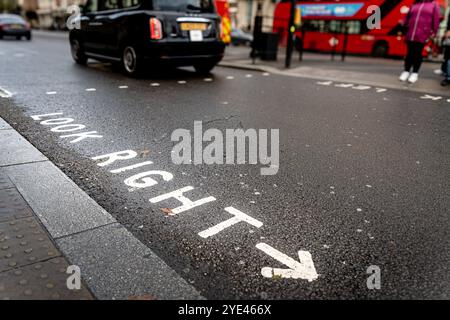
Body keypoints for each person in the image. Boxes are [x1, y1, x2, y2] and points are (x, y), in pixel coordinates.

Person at [399, 0, 440, 84]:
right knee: (409, 53)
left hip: (423, 34)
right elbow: (407, 17)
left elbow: (436, 20)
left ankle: (415, 73)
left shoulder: (434, 4)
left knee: (417, 53)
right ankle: (406, 71)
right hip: (410, 33)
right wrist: (403, 23)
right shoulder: (415, 4)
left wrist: (434, 32)